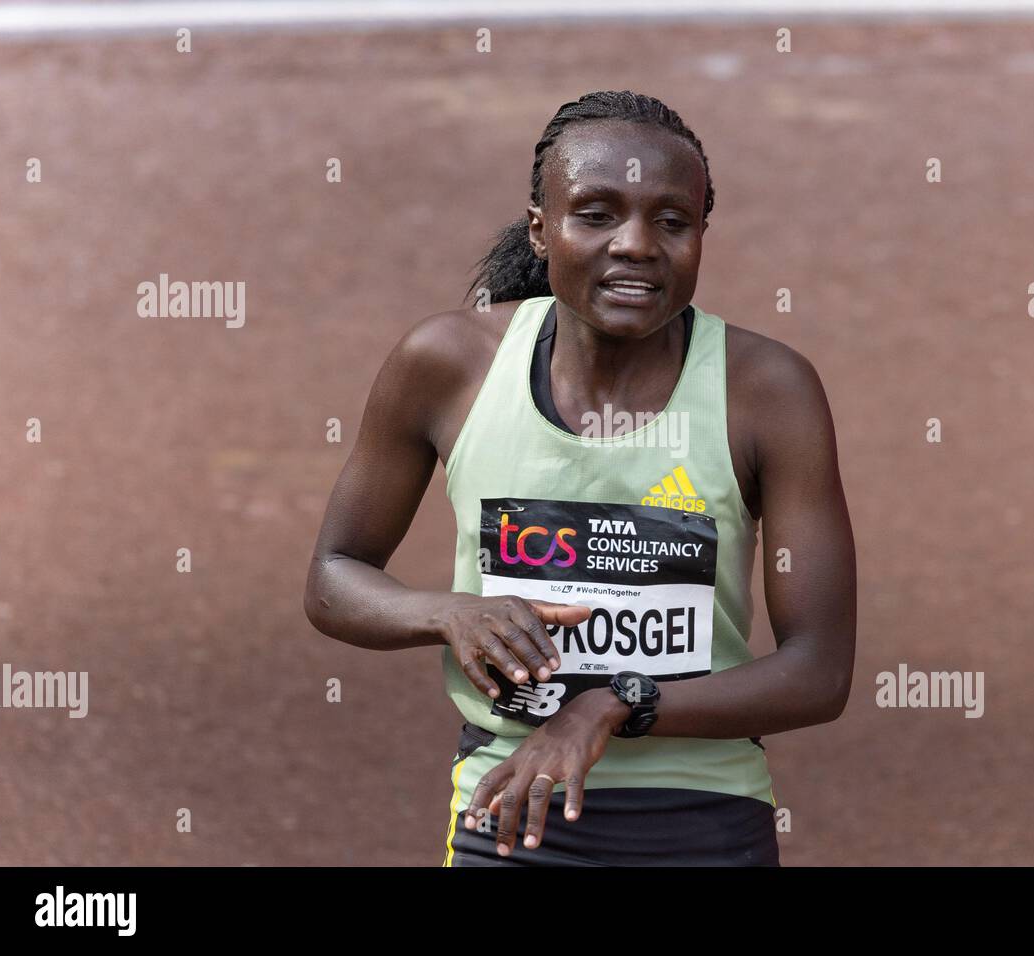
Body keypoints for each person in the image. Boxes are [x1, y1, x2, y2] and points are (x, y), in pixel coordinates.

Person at [303, 90, 856, 867]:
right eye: (596, 213)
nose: (636, 245)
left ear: (701, 237)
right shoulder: (448, 365)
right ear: (541, 227)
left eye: (672, 221)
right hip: (508, 803)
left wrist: (615, 703)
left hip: (707, 812)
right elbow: (333, 577)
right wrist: (450, 612)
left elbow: (819, 672)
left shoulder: (766, 391)